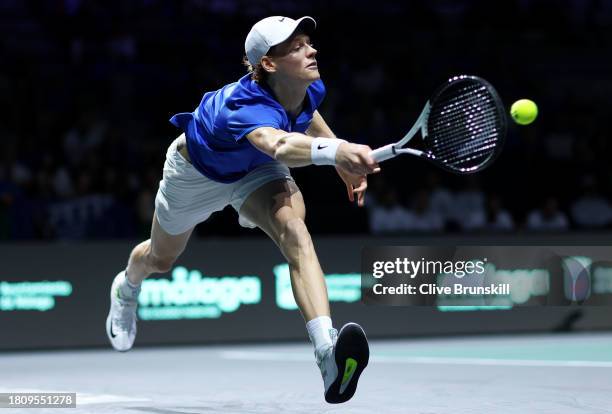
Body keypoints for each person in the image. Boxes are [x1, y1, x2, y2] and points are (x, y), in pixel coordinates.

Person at [105, 16, 378, 404]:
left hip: (253, 169)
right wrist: (337, 152)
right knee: (160, 259)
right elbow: (280, 145)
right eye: (297, 47)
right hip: (196, 173)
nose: (312, 50)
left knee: (295, 231)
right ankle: (126, 287)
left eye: (308, 42)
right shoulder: (242, 105)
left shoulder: (309, 84)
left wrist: (338, 157)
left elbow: (307, 116)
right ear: (268, 63)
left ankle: (327, 354)